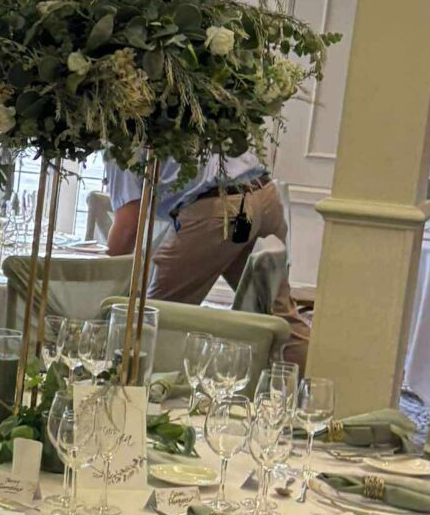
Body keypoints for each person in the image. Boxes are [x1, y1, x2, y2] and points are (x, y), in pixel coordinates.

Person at [105, 153, 309, 364]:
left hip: (218, 207)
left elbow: (128, 225)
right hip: (263, 193)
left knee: (152, 321)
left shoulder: (122, 136)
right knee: (280, 317)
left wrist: (100, 284)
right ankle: (312, 388)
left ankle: (136, 392)